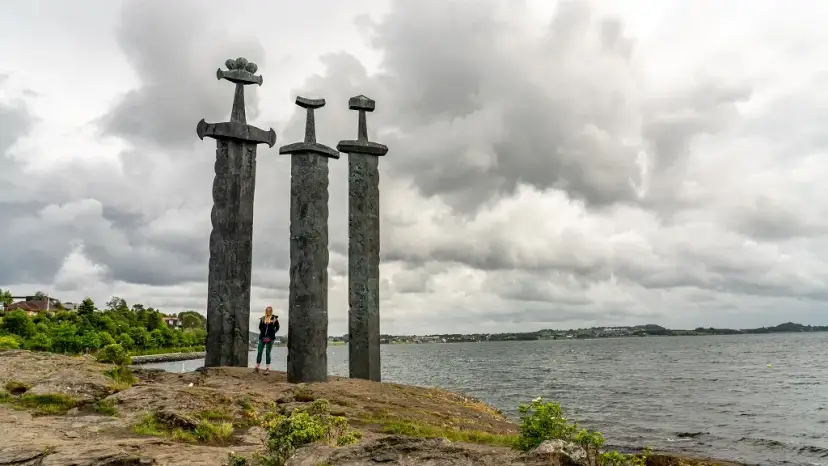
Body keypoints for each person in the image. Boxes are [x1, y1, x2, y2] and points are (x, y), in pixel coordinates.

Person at [254, 306, 279, 374]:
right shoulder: (263, 318)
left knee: (268, 352)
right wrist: (263, 332)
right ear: (265, 311)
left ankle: (267, 368)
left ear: (271, 311)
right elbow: (260, 327)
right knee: (259, 351)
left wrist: (272, 333)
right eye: (267, 310)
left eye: (270, 311)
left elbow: (277, 327)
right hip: (262, 337)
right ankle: (257, 367)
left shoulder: (274, 319)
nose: (268, 312)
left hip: (270, 338)